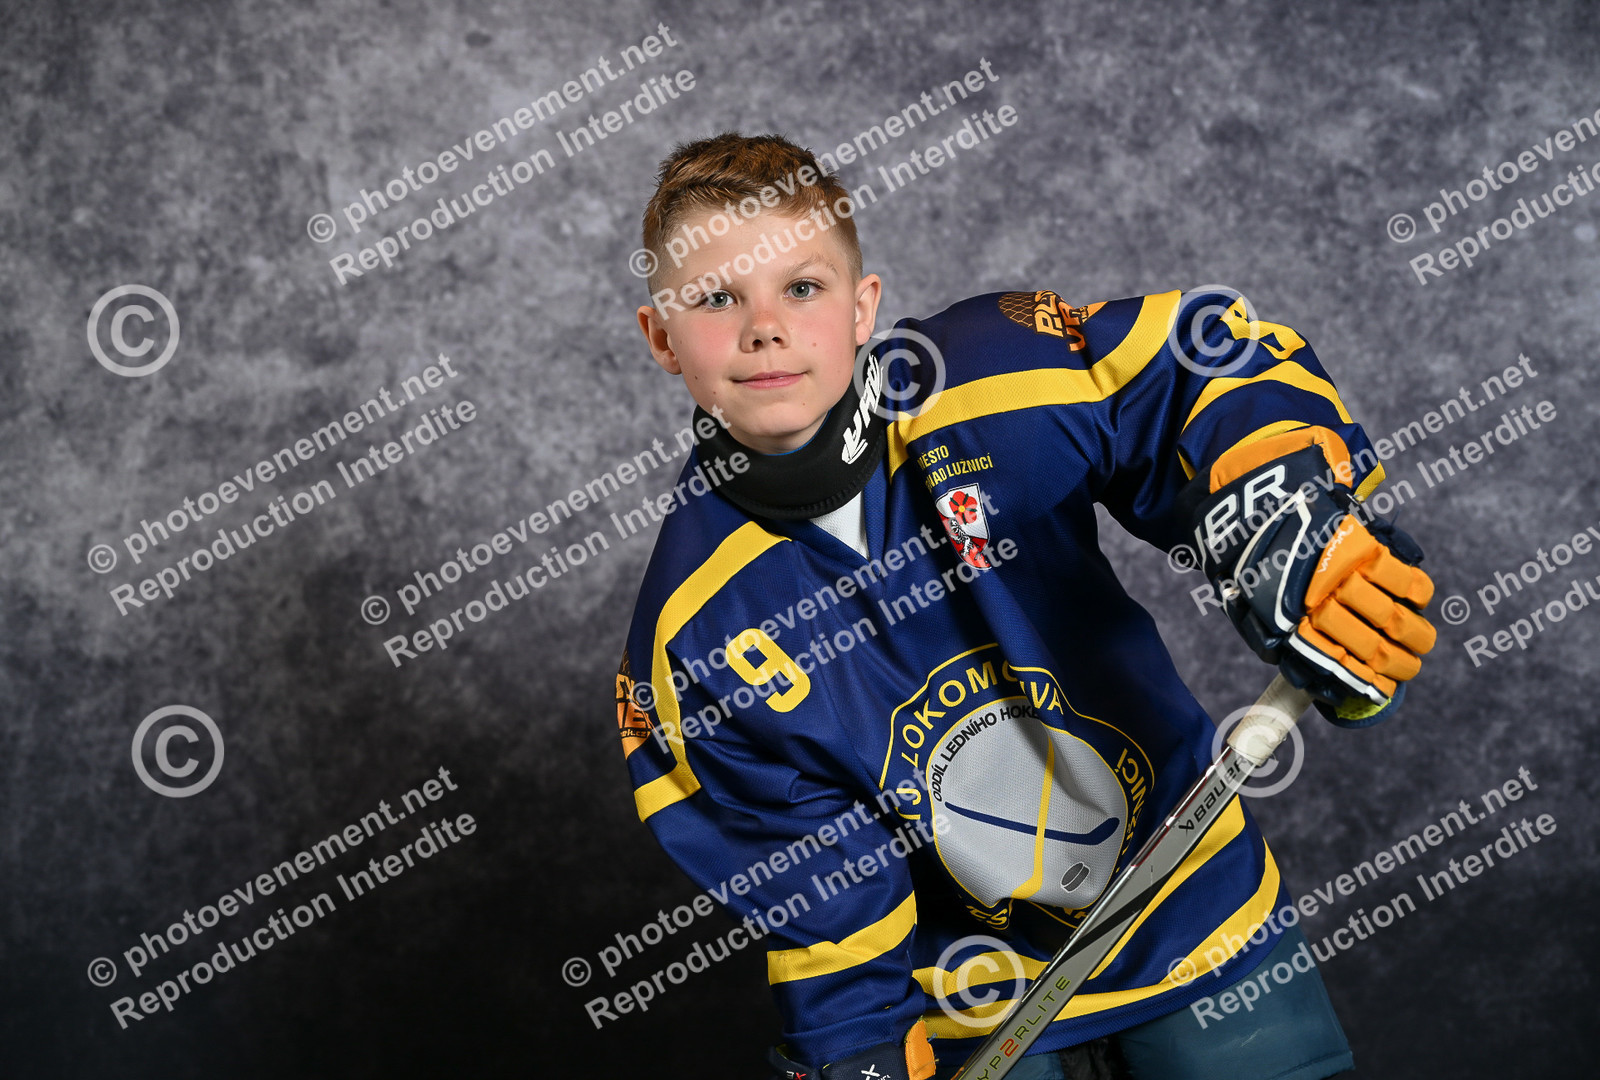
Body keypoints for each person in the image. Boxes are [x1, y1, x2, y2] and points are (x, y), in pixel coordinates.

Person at [613, 132, 1436, 1080]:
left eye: (802, 288)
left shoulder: (980, 380)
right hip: (975, 1003)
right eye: (717, 299)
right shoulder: (689, 635)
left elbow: (1185, 367)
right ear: (661, 336)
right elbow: (809, 871)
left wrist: (1280, 504)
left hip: (1195, 918)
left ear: (862, 307)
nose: (765, 327)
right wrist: (857, 1043)